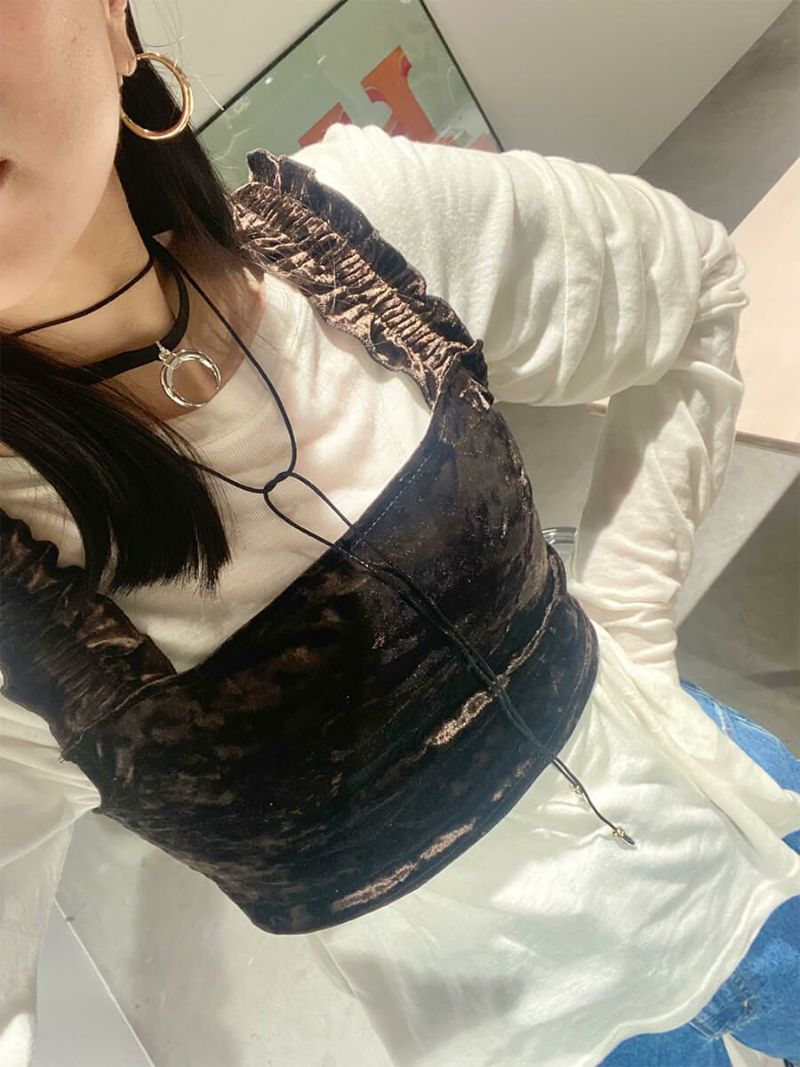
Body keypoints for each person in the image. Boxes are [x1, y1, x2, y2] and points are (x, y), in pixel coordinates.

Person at [1, 3, 799, 1066]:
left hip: (748, 851)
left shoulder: (352, 232)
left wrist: (629, 623)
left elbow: (691, 284)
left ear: (109, 18)